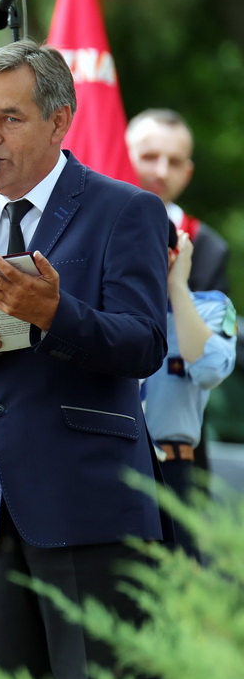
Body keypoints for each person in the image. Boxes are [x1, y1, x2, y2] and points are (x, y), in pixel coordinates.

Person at [0, 40, 170, 679]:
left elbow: (145, 344)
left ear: (58, 120)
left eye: (9, 117)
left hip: (89, 504)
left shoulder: (124, 209)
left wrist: (54, 314)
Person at [143, 224, 235, 558]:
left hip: (171, 470)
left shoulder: (210, 307)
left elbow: (210, 371)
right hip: (106, 467)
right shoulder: (107, 307)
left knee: (176, 576)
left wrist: (178, 286)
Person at [127, 109, 230, 295]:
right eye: (149, 157)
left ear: (187, 174)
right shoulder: (91, 224)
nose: (162, 173)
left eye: (174, 162)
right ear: (123, 157)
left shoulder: (208, 250)